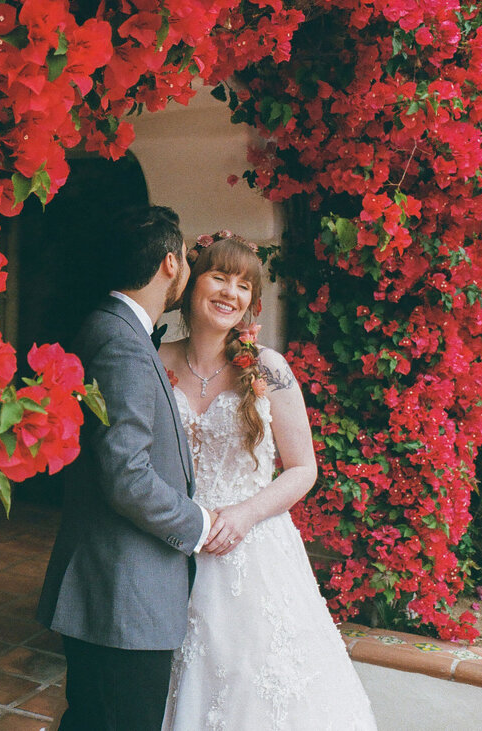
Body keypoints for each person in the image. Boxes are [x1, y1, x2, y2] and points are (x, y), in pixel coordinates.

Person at [157, 232, 377, 730]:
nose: (230, 293)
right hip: (175, 541)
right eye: (219, 277)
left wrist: (244, 514)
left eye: (243, 285)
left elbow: (304, 469)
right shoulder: (159, 361)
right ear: (192, 284)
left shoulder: (269, 369)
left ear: (251, 303)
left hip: (251, 545)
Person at [36, 205, 216, 731]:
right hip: (123, 590)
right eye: (185, 258)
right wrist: (198, 523)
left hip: (107, 582)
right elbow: (127, 475)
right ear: (168, 264)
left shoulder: (114, 327)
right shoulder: (122, 342)